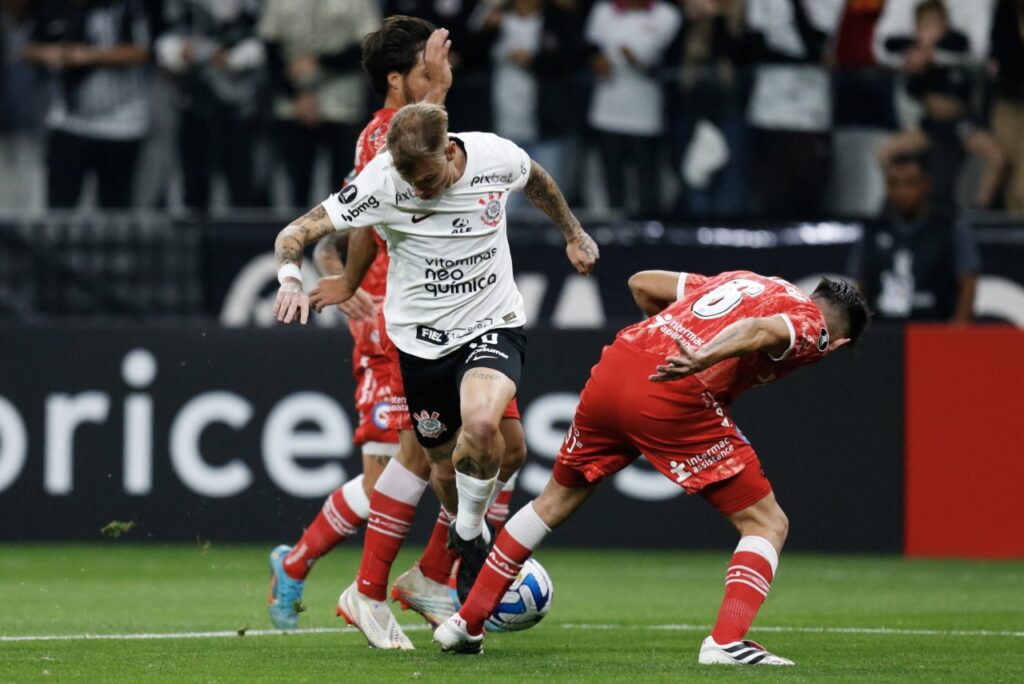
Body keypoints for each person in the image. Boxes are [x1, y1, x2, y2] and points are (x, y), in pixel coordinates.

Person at [272, 101, 598, 646]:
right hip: (420, 343)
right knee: (449, 466)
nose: (419, 190)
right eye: (409, 180)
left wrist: (573, 232)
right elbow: (300, 231)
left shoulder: (493, 156)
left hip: (492, 324)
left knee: (484, 425)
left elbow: (537, 178)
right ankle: (459, 546)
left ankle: (466, 549)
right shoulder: (383, 180)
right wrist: (288, 277)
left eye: (426, 178)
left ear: (450, 151)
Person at [433, 270, 870, 664]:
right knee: (766, 521)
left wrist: (674, 333)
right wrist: (703, 356)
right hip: (675, 388)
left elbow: (642, 283)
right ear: (842, 343)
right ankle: (725, 642)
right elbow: (756, 329)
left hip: (617, 365)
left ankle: (466, 624)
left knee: (553, 501)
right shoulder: (814, 329)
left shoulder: (747, 281)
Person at [266, 18, 528, 646]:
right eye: (429, 64)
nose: (445, 67)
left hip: (451, 320)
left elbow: (364, 217)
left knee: (498, 452)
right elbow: (362, 212)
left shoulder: (416, 134)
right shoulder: (393, 135)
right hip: (405, 324)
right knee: (411, 463)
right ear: (399, 78)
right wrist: (351, 283)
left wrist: (342, 276)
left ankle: (405, 576)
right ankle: (380, 582)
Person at [20, 0, 151, 209]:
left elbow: (141, 51)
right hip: (68, 121)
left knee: (115, 212)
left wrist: (89, 55)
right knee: (59, 210)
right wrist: (53, 54)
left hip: (121, 124)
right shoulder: (52, 7)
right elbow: (27, 48)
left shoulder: (127, 7)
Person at [877, 0, 1005, 211]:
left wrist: (935, 55)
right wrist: (918, 64)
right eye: (924, 27)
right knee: (885, 153)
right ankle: (899, 204)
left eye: (934, 26)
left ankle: (978, 211)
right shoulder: (918, 63)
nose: (929, 32)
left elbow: (964, 48)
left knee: (998, 157)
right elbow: (911, 88)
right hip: (930, 126)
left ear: (945, 26)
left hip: (961, 125)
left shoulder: (959, 53)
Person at [259, 0, 380, 208]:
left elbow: (370, 45)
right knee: (296, 188)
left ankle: (340, 239)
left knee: (345, 187)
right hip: (293, 105)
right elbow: (270, 47)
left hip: (342, 103)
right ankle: (297, 239)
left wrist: (320, 63)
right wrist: (295, 95)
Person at [847, 153, 979, 322]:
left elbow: (967, 282)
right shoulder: (872, 231)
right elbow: (859, 285)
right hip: (882, 331)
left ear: (926, 184)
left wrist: (958, 330)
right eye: (894, 184)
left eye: (910, 184)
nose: (902, 193)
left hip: (935, 330)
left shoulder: (950, 228)